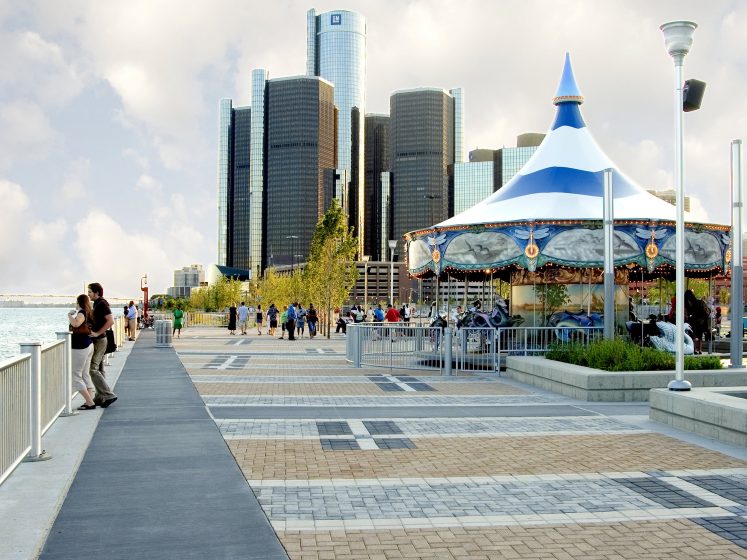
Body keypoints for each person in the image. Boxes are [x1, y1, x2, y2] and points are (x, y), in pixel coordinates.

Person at [87, 283, 117, 408]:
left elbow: (111, 321)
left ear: (96, 292)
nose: (88, 294)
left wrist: (97, 332)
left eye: (90, 292)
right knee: (99, 368)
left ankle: (108, 395)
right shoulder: (98, 303)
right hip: (98, 339)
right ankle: (100, 397)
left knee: (92, 369)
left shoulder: (102, 304)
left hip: (100, 340)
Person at [68, 294, 97, 410]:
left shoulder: (82, 312)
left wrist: (69, 315)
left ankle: (90, 402)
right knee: (85, 374)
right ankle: (89, 401)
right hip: (88, 344)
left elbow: (76, 324)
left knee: (76, 376)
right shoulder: (89, 312)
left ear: (79, 302)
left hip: (80, 347)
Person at [684, 289, 709, 354]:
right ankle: (700, 350)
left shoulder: (690, 303)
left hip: (695, 321)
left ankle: (695, 349)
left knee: (694, 335)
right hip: (701, 322)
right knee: (699, 336)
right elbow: (706, 312)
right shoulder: (699, 302)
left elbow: (691, 313)